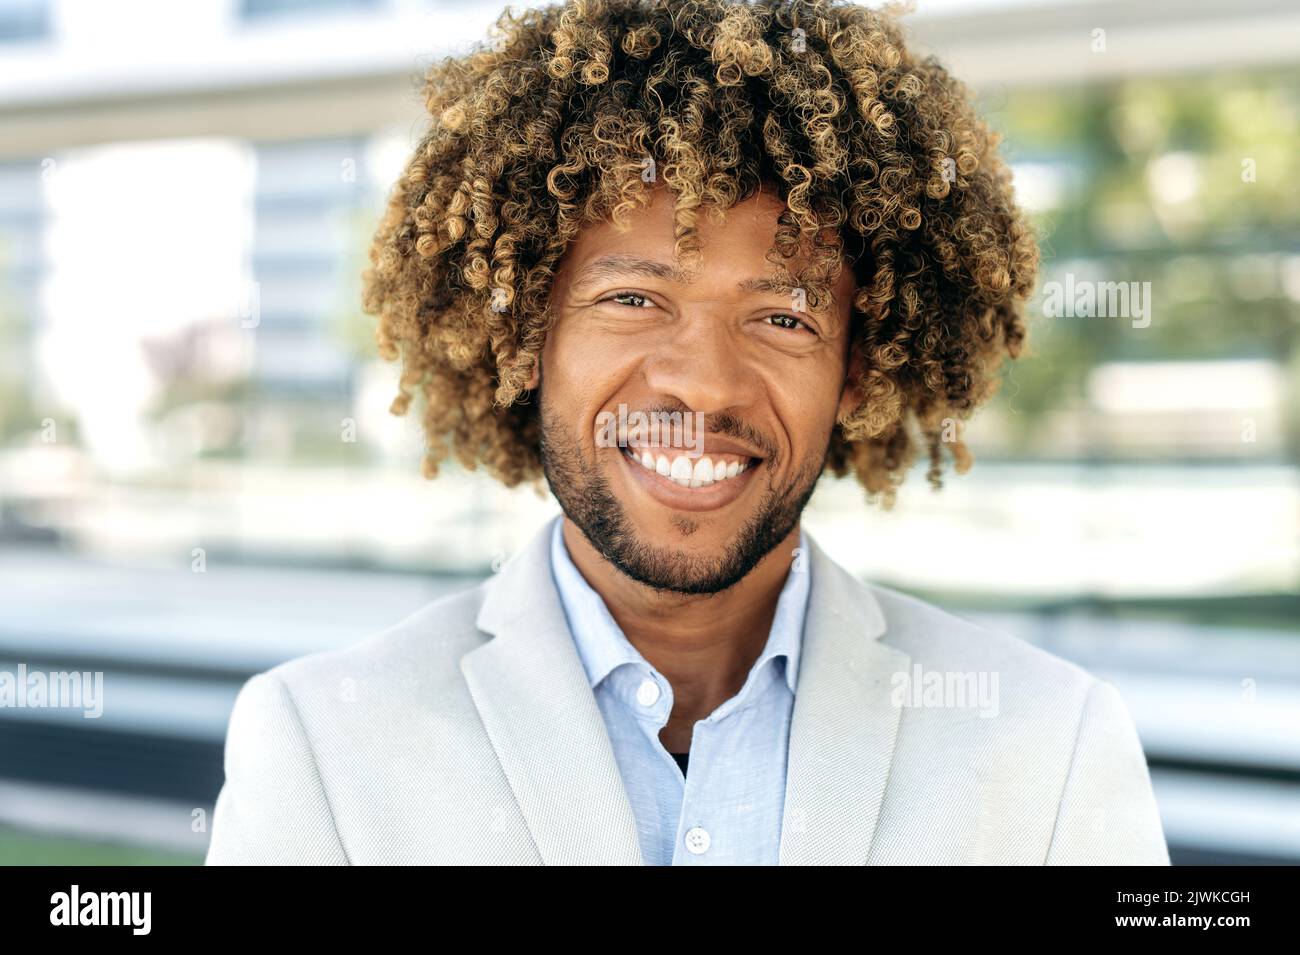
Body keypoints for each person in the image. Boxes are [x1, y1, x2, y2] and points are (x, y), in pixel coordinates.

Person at [206, 0, 1169, 865]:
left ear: (858, 369)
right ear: (524, 336)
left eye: (784, 317)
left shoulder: (1051, 745)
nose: (703, 382)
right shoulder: (321, 744)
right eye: (632, 298)